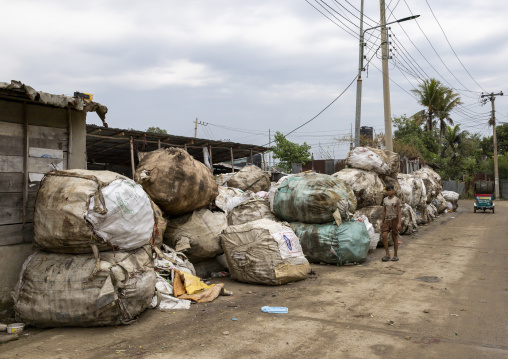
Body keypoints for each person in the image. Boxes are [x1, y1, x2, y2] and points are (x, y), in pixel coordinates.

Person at [381, 184, 402, 262]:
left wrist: (399, 223)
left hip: (394, 219)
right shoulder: (385, 200)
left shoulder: (397, 200)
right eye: (387, 190)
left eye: (390, 190)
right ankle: (387, 254)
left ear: (393, 190)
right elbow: (384, 211)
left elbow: (399, 212)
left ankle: (395, 255)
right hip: (387, 220)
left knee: (394, 237)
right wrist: (382, 221)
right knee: (384, 235)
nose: (389, 192)